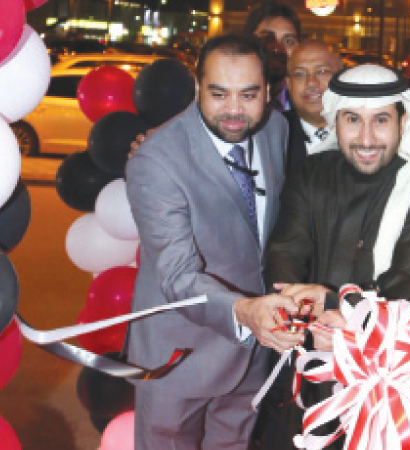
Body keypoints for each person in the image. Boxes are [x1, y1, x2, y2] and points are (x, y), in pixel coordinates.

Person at [125, 34, 305, 449]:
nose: (235, 110)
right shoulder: (156, 160)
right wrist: (245, 312)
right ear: (196, 87)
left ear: (268, 91)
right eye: (219, 94)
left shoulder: (274, 129)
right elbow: (177, 275)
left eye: (248, 94)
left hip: (252, 353)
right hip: (177, 358)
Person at [259, 64, 410, 450]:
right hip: (307, 358)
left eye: (380, 120)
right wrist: (301, 318)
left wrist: (336, 313)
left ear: (402, 122)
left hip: (383, 377)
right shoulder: (311, 174)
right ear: (336, 121)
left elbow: (408, 287)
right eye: (352, 120)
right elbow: (286, 252)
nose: (366, 137)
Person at [283, 40, 343, 173]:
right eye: (300, 74)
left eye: (322, 72)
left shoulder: (362, 131)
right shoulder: (274, 134)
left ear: (341, 77)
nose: (311, 83)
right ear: (288, 84)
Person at [245, 1, 301, 111]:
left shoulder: (309, 104)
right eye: (267, 39)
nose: (277, 49)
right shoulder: (230, 100)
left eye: (288, 41)